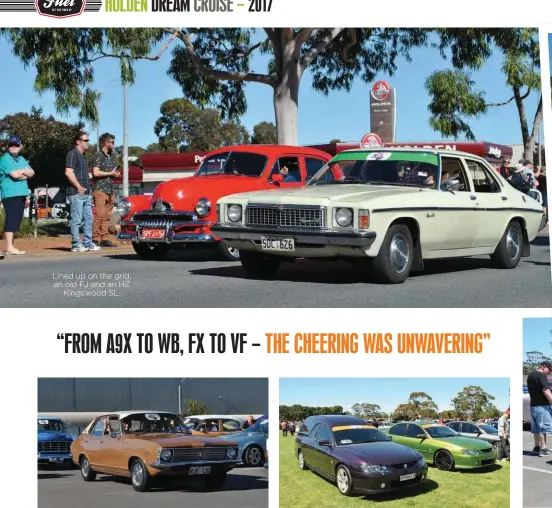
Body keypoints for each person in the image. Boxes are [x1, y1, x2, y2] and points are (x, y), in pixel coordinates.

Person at [65, 131, 100, 252]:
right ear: (78, 142)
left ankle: (87, 243)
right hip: (76, 192)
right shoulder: (72, 154)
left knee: (89, 219)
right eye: (85, 140)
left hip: (85, 193)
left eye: (88, 140)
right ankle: (75, 244)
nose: (88, 143)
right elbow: (69, 172)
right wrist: (78, 186)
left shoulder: (83, 157)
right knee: (76, 219)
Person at [0, 136, 34, 255]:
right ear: (8, 146)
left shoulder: (21, 158)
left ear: (20, 146)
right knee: (11, 219)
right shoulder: (5, 159)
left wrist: (23, 172)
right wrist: (24, 172)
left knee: (17, 220)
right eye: (11, 145)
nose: (14, 147)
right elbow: (15, 175)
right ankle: (9, 246)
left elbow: (32, 172)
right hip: (10, 194)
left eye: (16, 145)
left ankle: (11, 246)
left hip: (21, 193)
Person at [91, 132, 120, 247]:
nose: (114, 144)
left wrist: (115, 174)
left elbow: (109, 173)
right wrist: (110, 173)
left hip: (110, 190)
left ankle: (104, 238)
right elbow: (95, 172)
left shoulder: (111, 156)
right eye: (112, 142)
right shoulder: (99, 155)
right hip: (100, 189)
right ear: (106, 143)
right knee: (100, 215)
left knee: (107, 216)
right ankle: (95, 239)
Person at [527, 361, 552, 456]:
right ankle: (544, 448)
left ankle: (537, 447)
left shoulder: (531, 376)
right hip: (542, 406)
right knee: (543, 428)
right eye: (549, 369)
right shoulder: (541, 376)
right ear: (543, 367)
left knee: (536, 428)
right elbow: (546, 391)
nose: (550, 371)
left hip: (533, 406)